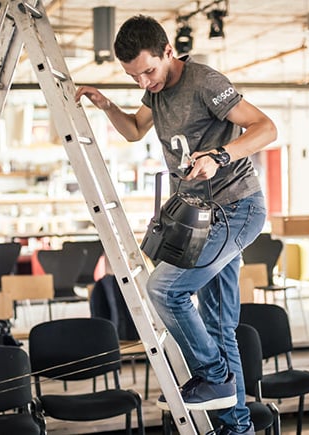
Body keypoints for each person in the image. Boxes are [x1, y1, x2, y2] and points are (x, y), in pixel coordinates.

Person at [75, 15, 276, 435]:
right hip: (199, 220)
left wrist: (219, 155)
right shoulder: (156, 93)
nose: (144, 82)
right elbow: (133, 131)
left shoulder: (204, 82)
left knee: (164, 288)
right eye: (134, 76)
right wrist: (107, 106)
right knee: (221, 326)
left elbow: (265, 128)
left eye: (148, 70)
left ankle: (215, 377)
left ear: (169, 51)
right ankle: (236, 427)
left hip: (237, 209)